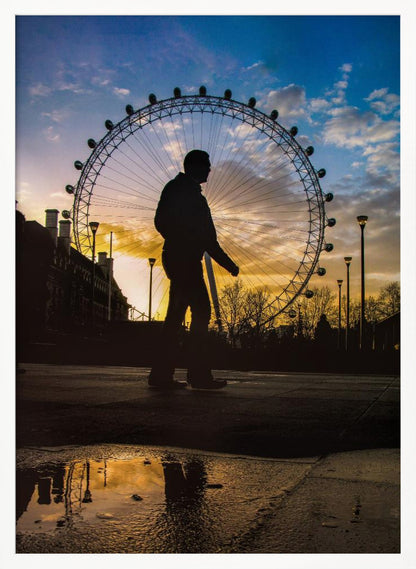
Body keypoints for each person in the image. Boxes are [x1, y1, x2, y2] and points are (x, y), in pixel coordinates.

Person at [148, 150, 239, 390]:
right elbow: (164, 222)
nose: (210, 169)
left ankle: (162, 374)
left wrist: (227, 263)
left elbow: (207, 238)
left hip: (184, 260)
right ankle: (196, 374)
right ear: (195, 166)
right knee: (200, 313)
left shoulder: (190, 194)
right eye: (207, 165)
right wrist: (186, 239)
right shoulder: (179, 190)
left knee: (177, 317)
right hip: (183, 260)